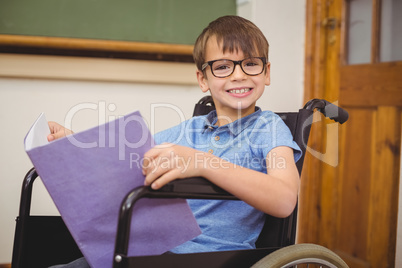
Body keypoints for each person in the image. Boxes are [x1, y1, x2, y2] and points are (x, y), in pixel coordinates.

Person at [48, 15, 301, 266]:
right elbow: (128, 160)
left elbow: (284, 199)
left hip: (214, 256)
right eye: (223, 66)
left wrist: (202, 163)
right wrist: (76, 144)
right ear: (203, 79)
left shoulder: (268, 128)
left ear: (266, 73)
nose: (238, 75)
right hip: (153, 249)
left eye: (251, 64)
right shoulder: (189, 130)